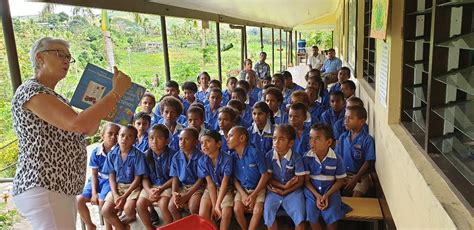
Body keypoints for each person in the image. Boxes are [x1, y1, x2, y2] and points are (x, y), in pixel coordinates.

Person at [11, 37, 131, 228]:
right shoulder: (31, 91)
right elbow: (77, 123)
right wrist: (115, 93)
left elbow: (88, 129)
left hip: (58, 186)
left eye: (68, 56)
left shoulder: (54, 96)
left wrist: (102, 109)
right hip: (44, 183)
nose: (66, 60)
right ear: (40, 58)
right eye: (59, 54)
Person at [304, 124, 348, 230]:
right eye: (311, 138)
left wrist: (327, 195)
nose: (312, 142)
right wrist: (317, 196)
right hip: (311, 191)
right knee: (311, 214)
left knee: (332, 214)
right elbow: (306, 181)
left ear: (328, 142)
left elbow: (340, 181)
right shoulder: (306, 157)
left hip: (331, 190)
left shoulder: (337, 159)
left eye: (317, 139)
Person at [101, 125, 146, 229]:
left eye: (129, 137)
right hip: (118, 187)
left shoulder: (138, 155)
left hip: (133, 188)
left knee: (128, 209)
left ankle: (126, 222)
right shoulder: (112, 154)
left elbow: (138, 179)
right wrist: (116, 194)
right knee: (105, 210)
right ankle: (122, 227)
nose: (124, 139)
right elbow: (111, 176)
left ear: (135, 140)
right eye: (122, 135)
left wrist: (124, 197)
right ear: (117, 137)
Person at [77, 123, 120, 230]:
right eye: (110, 133)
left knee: (103, 201)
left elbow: (114, 175)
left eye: (116, 134)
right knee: (79, 200)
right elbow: (94, 174)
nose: (113, 137)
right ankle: (90, 225)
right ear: (102, 135)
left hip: (111, 181)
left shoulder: (119, 152)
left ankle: (108, 227)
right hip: (97, 179)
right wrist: (94, 193)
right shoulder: (96, 152)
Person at [264, 124, 306, 230]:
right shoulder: (269, 156)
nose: (276, 142)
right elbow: (268, 178)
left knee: (300, 220)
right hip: (274, 191)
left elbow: (300, 181)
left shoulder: (296, 157)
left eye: (281, 139)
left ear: (291, 143)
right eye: (274, 138)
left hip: (294, 191)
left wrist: (287, 190)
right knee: (269, 216)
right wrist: (283, 187)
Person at [228, 127, 270, 230]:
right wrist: (243, 194)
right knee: (237, 209)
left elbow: (265, 176)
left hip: (258, 188)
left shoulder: (255, 153)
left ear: (242, 138)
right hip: (242, 189)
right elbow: (234, 179)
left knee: (258, 211)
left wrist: (254, 194)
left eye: (231, 136)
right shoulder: (232, 157)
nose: (227, 139)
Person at [137, 124, 176, 228]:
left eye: (159, 138)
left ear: (167, 141)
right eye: (151, 138)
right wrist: (149, 190)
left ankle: (169, 227)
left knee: (163, 205)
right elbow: (144, 178)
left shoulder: (173, 155)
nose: (154, 141)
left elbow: (175, 178)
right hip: (151, 186)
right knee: (140, 204)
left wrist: (160, 189)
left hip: (167, 185)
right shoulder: (145, 155)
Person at [198, 130, 234, 230]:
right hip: (210, 189)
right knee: (203, 214)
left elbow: (225, 182)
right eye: (201, 143)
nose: (204, 145)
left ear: (218, 144)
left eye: (208, 141)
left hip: (226, 189)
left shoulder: (228, 159)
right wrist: (214, 206)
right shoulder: (202, 161)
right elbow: (210, 184)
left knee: (226, 213)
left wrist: (218, 205)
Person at [336, 106, 375, 197]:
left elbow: (368, 162)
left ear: (362, 121)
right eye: (345, 117)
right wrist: (341, 175)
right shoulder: (343, 137)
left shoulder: (367, 140)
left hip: (360, 176)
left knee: (357, 194)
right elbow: (338, 157)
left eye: (350, 118)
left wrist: (355, 178)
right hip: (343, 174)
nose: (346, 120)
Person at [169, 128, 205, 220]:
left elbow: (201, 180)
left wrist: (187, 195)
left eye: (186, 139)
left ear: (196, 142)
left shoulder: (201, 157)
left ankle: (196, 225)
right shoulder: (176, 157)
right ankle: (181, 224)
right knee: (172, 206)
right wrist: (174, 193)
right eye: (180, 139)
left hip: (197, 187)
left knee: (193, 207)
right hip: (183, 187)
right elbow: (175, 177)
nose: (182, 142)